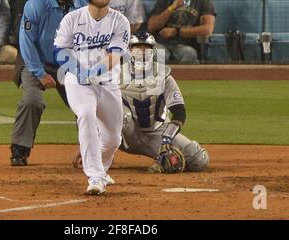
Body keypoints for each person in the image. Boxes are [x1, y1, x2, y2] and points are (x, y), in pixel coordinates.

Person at [72, 31, 210, 173]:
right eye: (138, 47)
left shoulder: (164, 76)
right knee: (116, 111)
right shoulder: (114, 73)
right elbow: (92, 106)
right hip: (126, 133)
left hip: (157, 133)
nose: (142, 51)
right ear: (129, 50)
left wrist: (167, 140)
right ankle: (103, 152)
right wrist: (88, 144)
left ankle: (164, 160)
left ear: (153, 50)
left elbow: (179, 112)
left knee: (199, 160)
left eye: (146, 47)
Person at [54, 0, 130, 195]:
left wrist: (94, 72)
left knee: (113, 138)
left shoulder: (120, 21)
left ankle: (102, 171)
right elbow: (59, 50)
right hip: (77, 82)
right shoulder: (72, 19)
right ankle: (95, 177)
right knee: (86, 113)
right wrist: (78, 71)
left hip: (107, 82)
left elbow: (115, 55)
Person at [10, 0, 87, 166]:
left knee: (87, 105)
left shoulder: (83, 3)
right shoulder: (35, 5)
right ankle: (19, 150)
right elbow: (26, 43)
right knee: (32, 100)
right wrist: (40, 72)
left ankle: (92, 151)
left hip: (69, 63)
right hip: (35, 60)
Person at [147, 0, 216, 64]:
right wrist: (171, 8)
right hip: (162, 43)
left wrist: (176, 31)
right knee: (156, 53)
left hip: (186, 45)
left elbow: (207, 30)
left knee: (189, 54)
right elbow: (152, 26)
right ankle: (160, 80)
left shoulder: (203, 0)